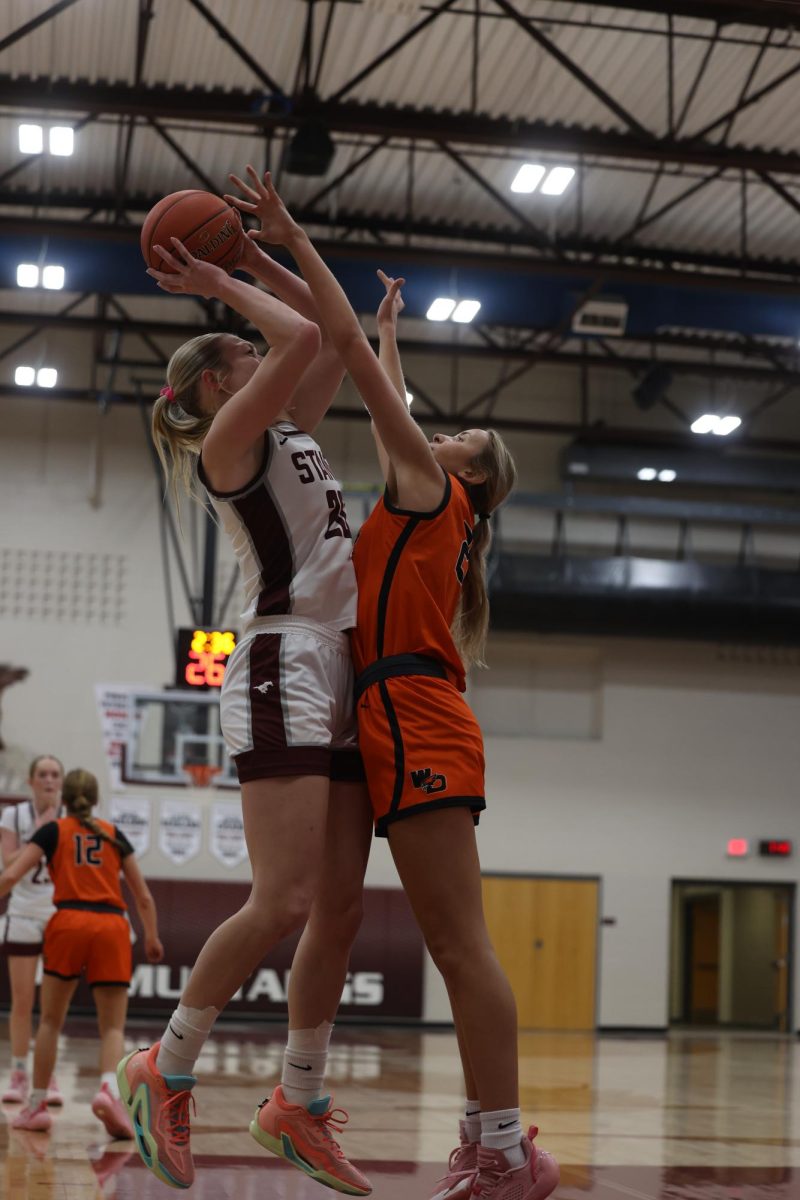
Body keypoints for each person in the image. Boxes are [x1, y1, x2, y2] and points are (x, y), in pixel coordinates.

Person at [228, 166, 560, 1200]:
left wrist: (281, 240)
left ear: (465, 473)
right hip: (394, 713)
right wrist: (388, 330)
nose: (440, 430)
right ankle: (453, 1127)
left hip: (411, 712)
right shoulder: (434, 503)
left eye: (457, 437)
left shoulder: (428, 488)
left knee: (458, 947)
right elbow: (392, 406)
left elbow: (381, 407)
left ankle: (503, 1149)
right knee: (370, 920)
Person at [118, 226, 372, 1194]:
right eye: (245, 353)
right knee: (284, 901)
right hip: (280, 663)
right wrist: (222, 278)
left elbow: (327, 336)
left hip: (338, 666)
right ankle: (164, 1063)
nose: (264, 353)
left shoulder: (284, 433)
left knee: (339, 911)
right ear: (223, 385)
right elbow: (301, 344)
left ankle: (295, 1104)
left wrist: (274, 258)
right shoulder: (229, 442)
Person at [0, 768, 163, 1138]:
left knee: (50, 1021)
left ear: (66, 800)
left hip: (68, 922)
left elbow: (11, 877)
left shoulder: (53, 830)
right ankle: (108, 1091)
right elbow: (143, 895)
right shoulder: (113, 833)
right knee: (113, 1026)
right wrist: (152, 937)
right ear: (96, 798)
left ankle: (37, 1104)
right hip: (111, 926)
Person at [1, 754, 64, 1106]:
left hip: (59, 916)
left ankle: (47, 1073)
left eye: (55, 774)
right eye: (42, 774)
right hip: (23, 914)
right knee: (22, 1001)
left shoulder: (71, 818)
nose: (49, 780)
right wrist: (42, 831)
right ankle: (19, 1071)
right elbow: (10, 864)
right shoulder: (14, 815)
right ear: (31, 780)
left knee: (51, 1007)